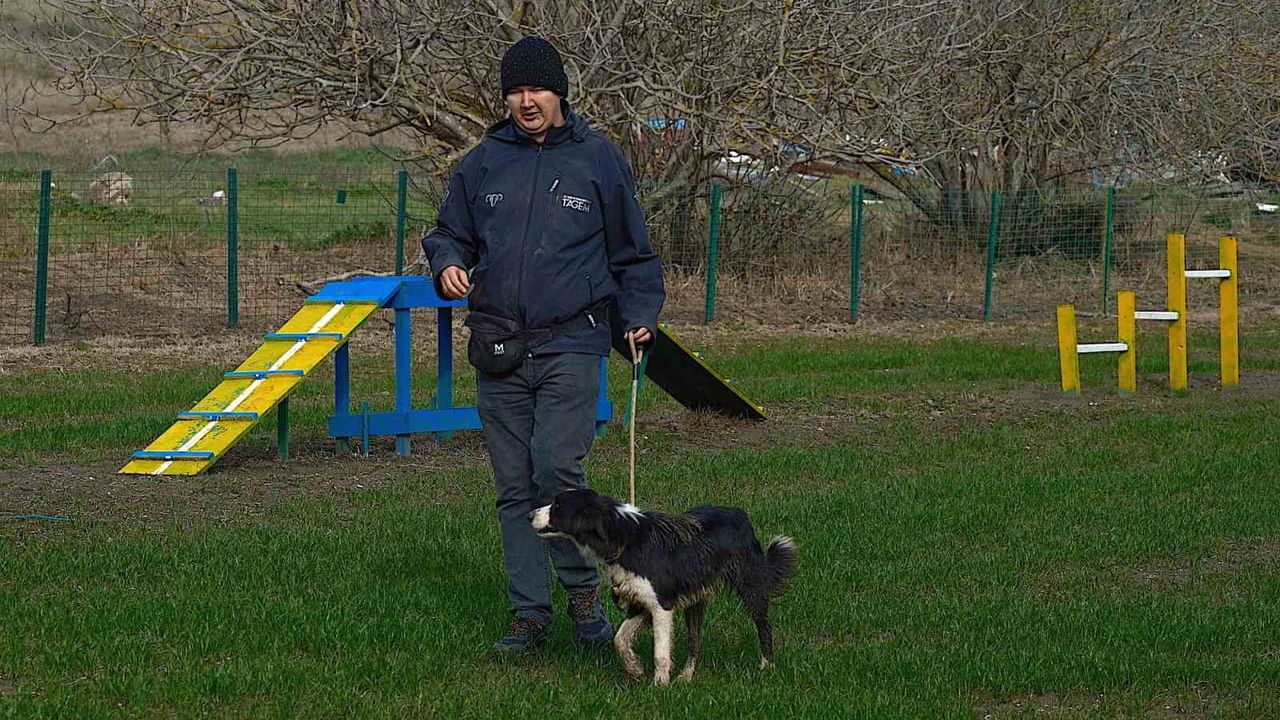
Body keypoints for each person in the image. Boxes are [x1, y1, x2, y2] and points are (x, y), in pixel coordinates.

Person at [422, 36, 665, 653]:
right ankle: (529, 614)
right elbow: (449, 232)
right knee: (512, 484)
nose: (526, 101)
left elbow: (634, 254)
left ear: (559, 92)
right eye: (516, 90)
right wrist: (448, 262)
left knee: (555, 470)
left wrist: (639, 315)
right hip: (499, 344)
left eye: (537, 89)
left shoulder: (598, 160)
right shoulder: (481, 163)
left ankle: (585, 600)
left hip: (573, 342)